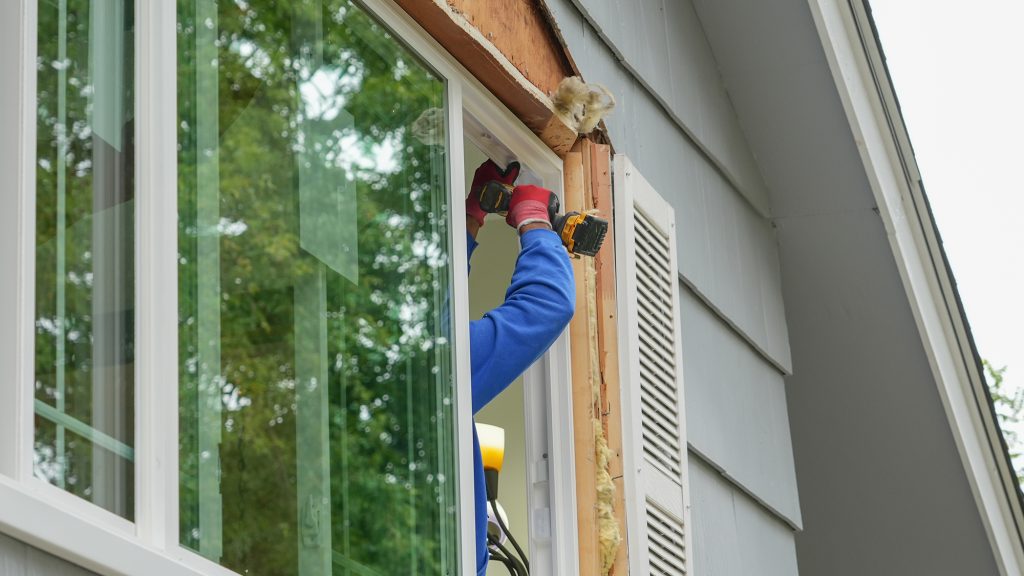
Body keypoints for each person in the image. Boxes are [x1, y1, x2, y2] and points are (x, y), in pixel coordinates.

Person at [463, 159, 576, 575]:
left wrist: (471, 217)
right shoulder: (434, 373)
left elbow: (434, 301)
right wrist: (533, 220)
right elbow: (547, 304)